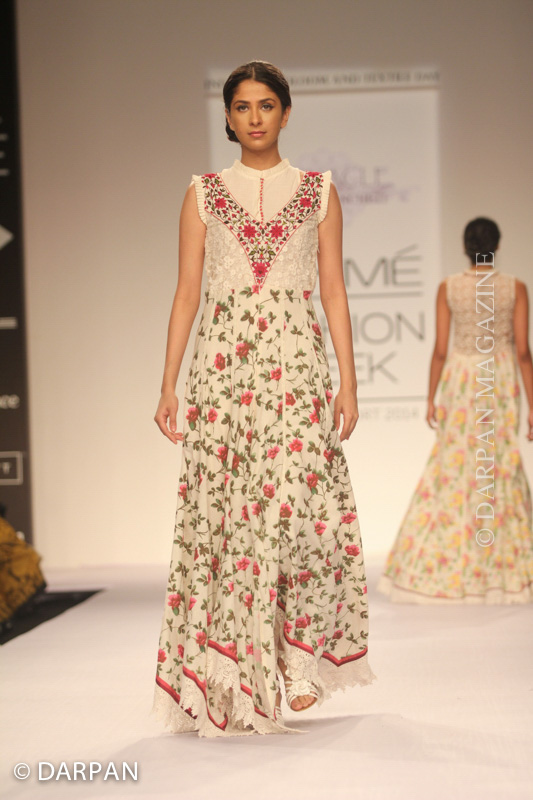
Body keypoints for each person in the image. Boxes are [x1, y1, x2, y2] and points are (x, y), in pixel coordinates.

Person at [151, 61, 375, 737]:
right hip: (223, 373)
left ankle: (298, 660)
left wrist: (348, 379)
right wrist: (168, 383)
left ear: (286, 112)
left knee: (302, 507)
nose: (254, 117)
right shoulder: (201, 194)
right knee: (230, 519)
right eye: (243, 106)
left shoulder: (318, 191)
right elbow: (187, 292)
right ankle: (235, 672)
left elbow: (333, 289)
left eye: (267, 104)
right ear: (227, 116)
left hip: (296, 367)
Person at [378, 218, 533, 604]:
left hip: (463, 379)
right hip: (498, 378)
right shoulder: (515, 288)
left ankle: (450, 564)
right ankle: (502, 571)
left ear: (466, 247)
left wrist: (430, 397)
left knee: (454, 467)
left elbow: (440, 350)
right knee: (498, 465)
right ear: (497, 246)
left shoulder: (449, 287)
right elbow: (523, 353)